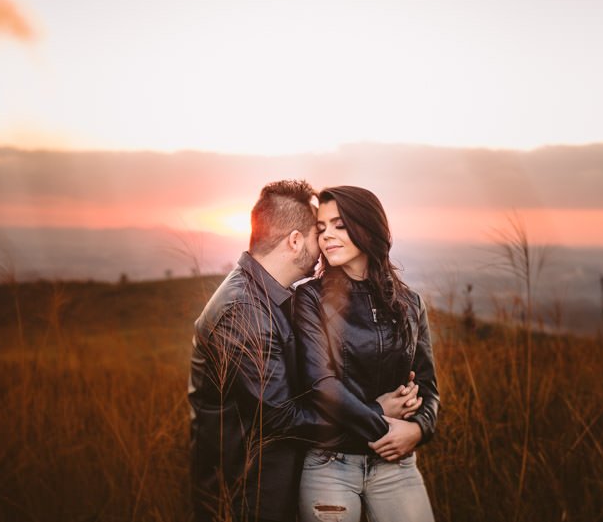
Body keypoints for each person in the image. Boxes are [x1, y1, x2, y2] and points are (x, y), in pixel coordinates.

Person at [188, 180, 419, 522]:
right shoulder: (243, 311)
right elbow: (281, 418)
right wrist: (374, 413)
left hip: (269, 488)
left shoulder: (270, 299)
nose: (325, 244)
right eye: (318, 232)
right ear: (295, 241)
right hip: (247, 499)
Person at [293, 185, 439, 522]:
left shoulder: (411, 303)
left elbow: (429, 387)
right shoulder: (310, 299)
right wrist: (381, 420)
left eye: (339, 225)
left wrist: (418, 430)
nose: (327, 236)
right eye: (321, 228)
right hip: (331, 463)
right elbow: (319, 384)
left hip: (396, 463)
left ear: (369, 228)